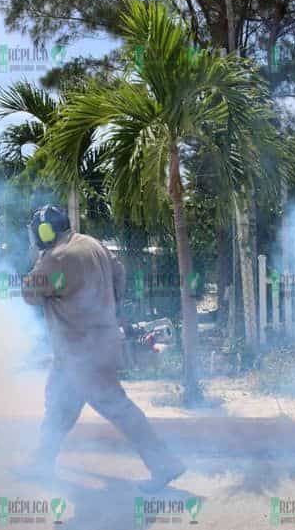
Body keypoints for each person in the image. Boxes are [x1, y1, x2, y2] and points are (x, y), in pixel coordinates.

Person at [20, 204, 185, 492]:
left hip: (80, 351)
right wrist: (109, 305)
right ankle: (40, 463)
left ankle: (165, 464)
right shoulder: (92, 244)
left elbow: (30, 294)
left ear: (45, 232)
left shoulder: (56, 257)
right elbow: (119, 273)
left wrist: (39, 259)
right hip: (94, 345)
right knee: (59, 408)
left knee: (118, 408)